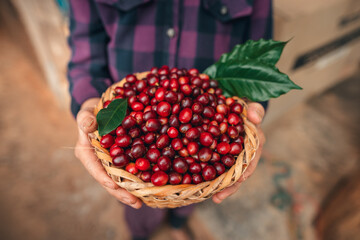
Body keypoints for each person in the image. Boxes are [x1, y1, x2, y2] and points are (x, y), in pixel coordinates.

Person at [68, 1, 270, 239]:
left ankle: (177, 222)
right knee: (135, 201)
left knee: (191, 188)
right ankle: (141, 231)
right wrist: (88, 101)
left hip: (213, 95)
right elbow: (85, 51)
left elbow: (258, 60)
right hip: (124, 112)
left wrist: (252, 107)